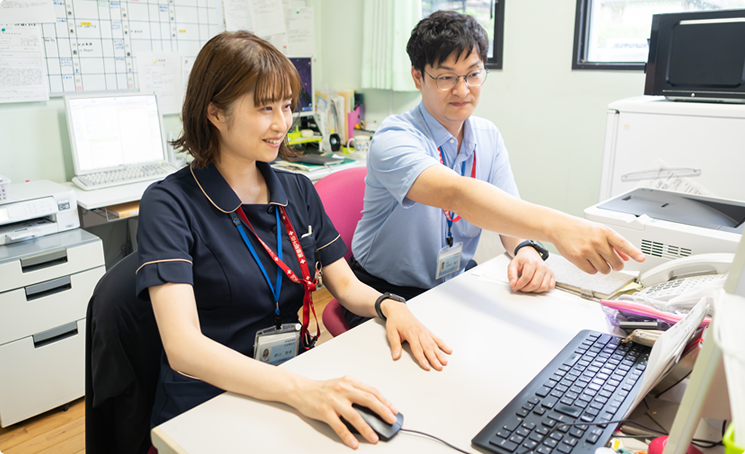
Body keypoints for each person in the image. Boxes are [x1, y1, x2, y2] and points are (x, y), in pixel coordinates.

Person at [135, 31, 451, 450]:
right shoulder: (170, 203)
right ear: (214, 112)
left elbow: (345, 285)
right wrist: (299, 390)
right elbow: (185, 349)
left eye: (286, 106)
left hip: (296, 381)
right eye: (265, 108)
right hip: (210, 403)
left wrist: (389, 305)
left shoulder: (297, 190)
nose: (282, 123)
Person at [345, 11, 644, 328]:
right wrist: (559, 227)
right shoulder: (393, 138)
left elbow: (508, 215)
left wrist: (526, 250)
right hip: (381, 291)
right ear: (418, 77)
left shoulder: (487, 136)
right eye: (446, 78)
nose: (462, 90)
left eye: (473, 74)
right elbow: (457, 195)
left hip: (450, 283)